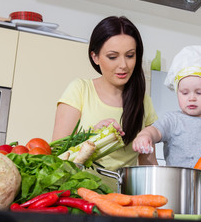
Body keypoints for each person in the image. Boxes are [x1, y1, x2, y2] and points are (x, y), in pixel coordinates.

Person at [52, 16, 158, 191]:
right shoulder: (80, 89)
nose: (123, 65)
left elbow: (147, 161)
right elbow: (56, 156)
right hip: (81, 195)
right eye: (112, 57)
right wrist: (91, 136)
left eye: (130, 55)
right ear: (95, 57)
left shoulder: (143, 101)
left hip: (125, 200)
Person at [132, 45, 201, 219]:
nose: (191, 98)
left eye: (199, 92)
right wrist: (145, 136)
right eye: (184, 92)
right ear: (177, 93)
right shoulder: (172, 120)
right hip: (181, 188)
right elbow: (155, 131)